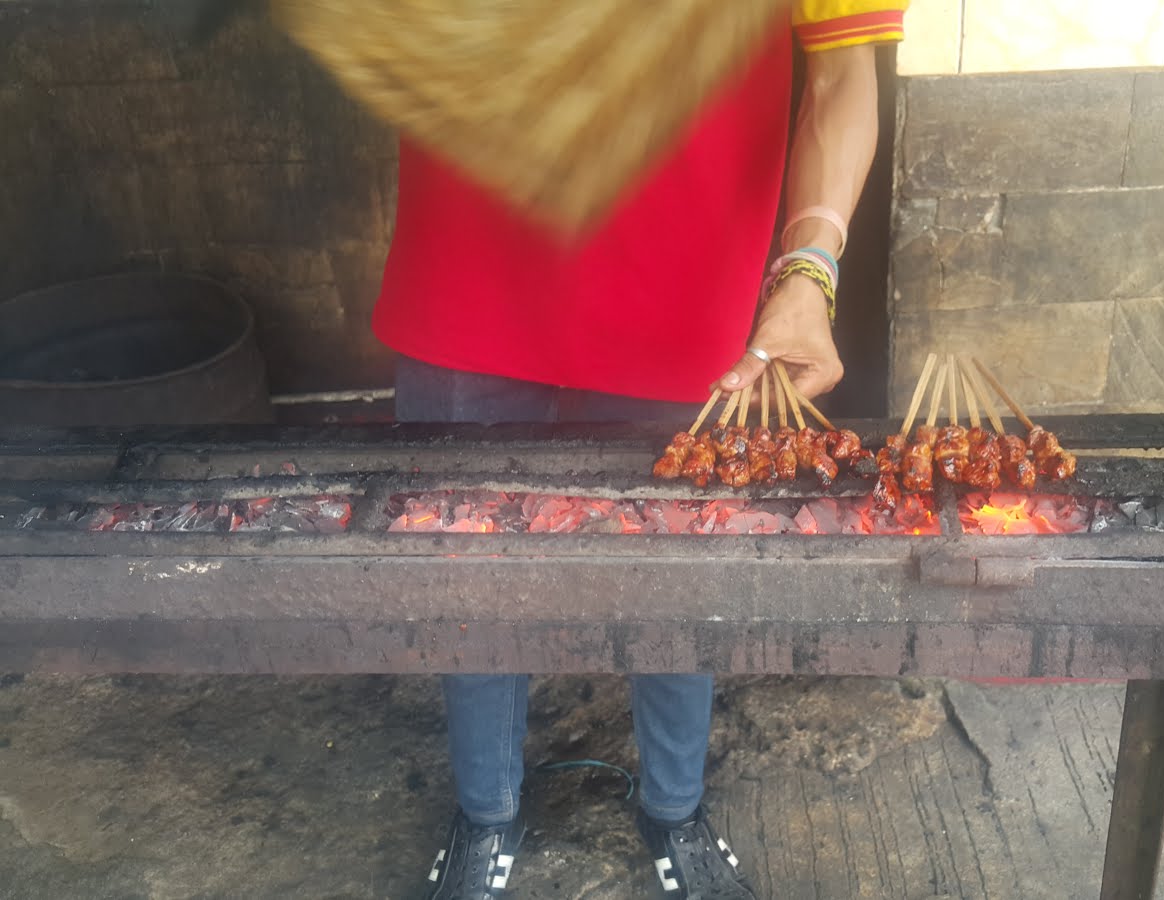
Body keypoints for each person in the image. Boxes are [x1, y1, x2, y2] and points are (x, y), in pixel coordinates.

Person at [371, 3, 907, 898]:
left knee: (678, 567)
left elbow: (844, 69)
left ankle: (674, 806)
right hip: (469, 271)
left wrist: (811, 265)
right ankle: (485, 811)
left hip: (682, 290)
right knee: (463, 562)